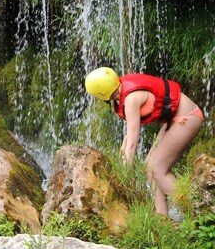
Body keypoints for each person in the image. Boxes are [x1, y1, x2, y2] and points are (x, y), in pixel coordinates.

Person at [84, 67, 203, 218]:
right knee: (149, 167)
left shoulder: (130, 99)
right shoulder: (122, 93)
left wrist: (126, 174)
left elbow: (133, 141)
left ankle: (196, 213)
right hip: (175, 119)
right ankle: (162, 217)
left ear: (100, 93)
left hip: (187, 117)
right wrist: (122, 162)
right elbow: (127, 138)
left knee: (158, 169)